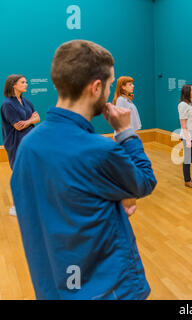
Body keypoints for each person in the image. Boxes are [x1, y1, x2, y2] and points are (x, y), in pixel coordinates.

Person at [10, 40, 157, 300]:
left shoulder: (28, 147)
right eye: (109, 84)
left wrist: (108, 206)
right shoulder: (97, 150)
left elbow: (65, 205)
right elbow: (144, 181)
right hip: (107, 290)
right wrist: (125, 132)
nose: (109, 90)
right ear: (96, 87)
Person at [1, 74, 40, 216]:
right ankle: (14, 206)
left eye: (26, 82)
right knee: (19, 174)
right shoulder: (7, 105)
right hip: (15, 144)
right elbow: (18, 126)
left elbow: (37, 117)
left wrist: (28, 121)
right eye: (23, 82)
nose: (26, 84)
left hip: (28, 142)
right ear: (13, 85)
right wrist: (31, 120)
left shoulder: (26, 102)